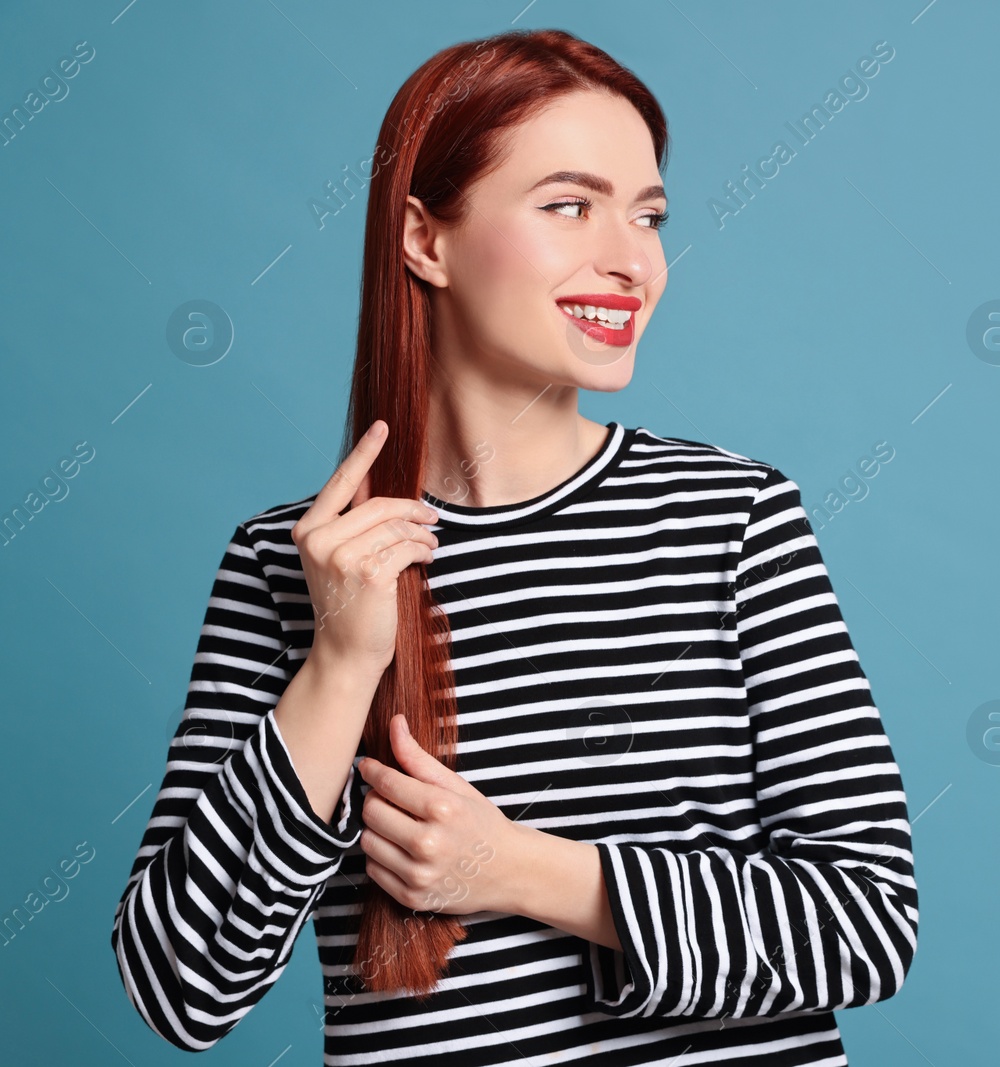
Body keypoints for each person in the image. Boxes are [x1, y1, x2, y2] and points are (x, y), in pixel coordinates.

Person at [108, 27, 917, 1066]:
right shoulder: (293, 565)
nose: (632, 260)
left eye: (648, 215)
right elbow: (179, 988)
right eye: (569, 204)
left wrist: (521, 868)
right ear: (425, 239)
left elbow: (865, 923)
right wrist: (343, 658)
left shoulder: (734, 518)